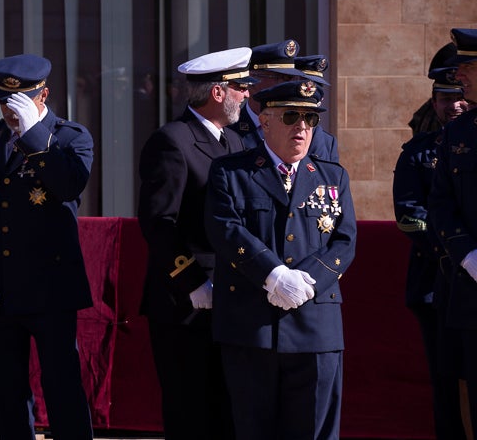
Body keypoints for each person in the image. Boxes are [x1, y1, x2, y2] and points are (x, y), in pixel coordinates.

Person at [205, 79, 357, 440]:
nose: (302, 127)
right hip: (252, 324)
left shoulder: (332, 176)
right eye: (292, 116)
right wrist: (273, 276)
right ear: (266, 121)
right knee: (254, 428)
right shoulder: (231, 172)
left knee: (315, 431)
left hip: (315, 326)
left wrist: (306, 283)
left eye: (310, 118)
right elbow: (225, 228)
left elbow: (345, 240)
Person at [0, 54, 94, 440]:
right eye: (4, 102)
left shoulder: (70, 137)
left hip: (51, 288)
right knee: (6, 392)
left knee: (62, 387)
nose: (10, 111)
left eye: (20, 102)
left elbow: (69, 186)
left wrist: (35, 135)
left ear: (44, 95)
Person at [137, 47, 254, 440]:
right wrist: (192, 283)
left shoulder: (235, 142)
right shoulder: (173, 141)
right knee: (191, 412)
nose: (248, 95)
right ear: (218, 92)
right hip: (185, 304)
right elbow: (158, 222)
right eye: (240, 87)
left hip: (231, 299)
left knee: (229, 410)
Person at [393, 61, 470, 440]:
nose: (453, 105)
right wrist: (456, 251)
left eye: (458, 96)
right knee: (445, 380)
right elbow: (408, 216)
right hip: (435, 281)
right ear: (433, 102)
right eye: (444, 98)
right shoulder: (417, 153)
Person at [429, 27, 477, 432]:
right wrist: (468, 255)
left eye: (467, 68)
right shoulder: (458, 133)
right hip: (473, 289)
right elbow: (440, 203)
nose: (459, 77)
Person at [229, 40, 339, 161]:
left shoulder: (307, 132)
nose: (288, 84)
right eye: (281, 78)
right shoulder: (228, 131)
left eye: (291, 78)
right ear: (253, 80)